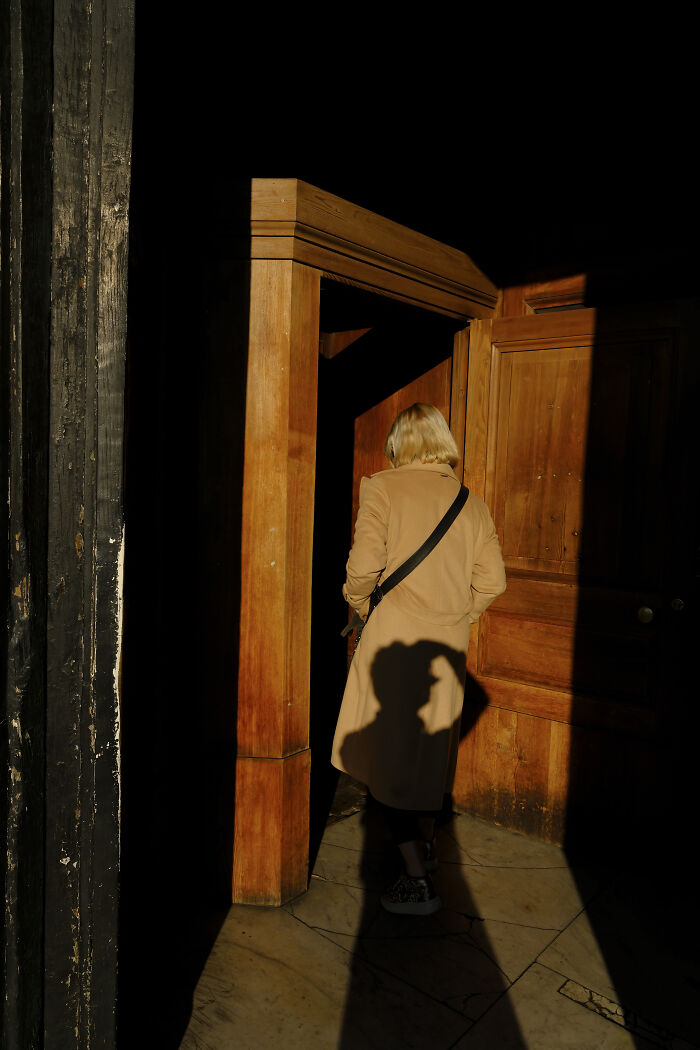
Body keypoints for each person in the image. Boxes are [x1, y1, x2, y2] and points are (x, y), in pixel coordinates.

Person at [331, 403, 506, 915]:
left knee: (388, 760)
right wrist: (456, 616)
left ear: (397, 444)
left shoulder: (382, 487)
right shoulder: (471, 503)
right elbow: (493, 582)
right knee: (426, 758)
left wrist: (361, 605)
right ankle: (423, 853)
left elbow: (363, 568)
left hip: (393, 641)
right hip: (446, 649)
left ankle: (416, 881)